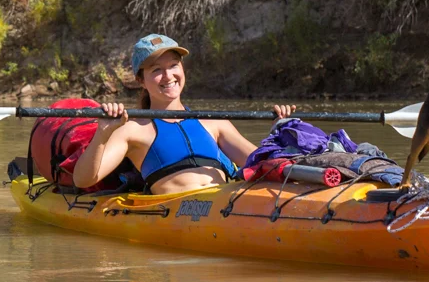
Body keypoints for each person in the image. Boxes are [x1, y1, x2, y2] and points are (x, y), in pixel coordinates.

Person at [72, 34, 294, 195]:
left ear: (182, 69)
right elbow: (83, 180)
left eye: (173, 66)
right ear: (141, 80)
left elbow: (263, 164)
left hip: (225, 201)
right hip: (179, 211)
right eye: (156, 70)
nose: (168, 76)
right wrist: (102, 134)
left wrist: (280, 130)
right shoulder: (131, 130)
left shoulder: (214, 122)